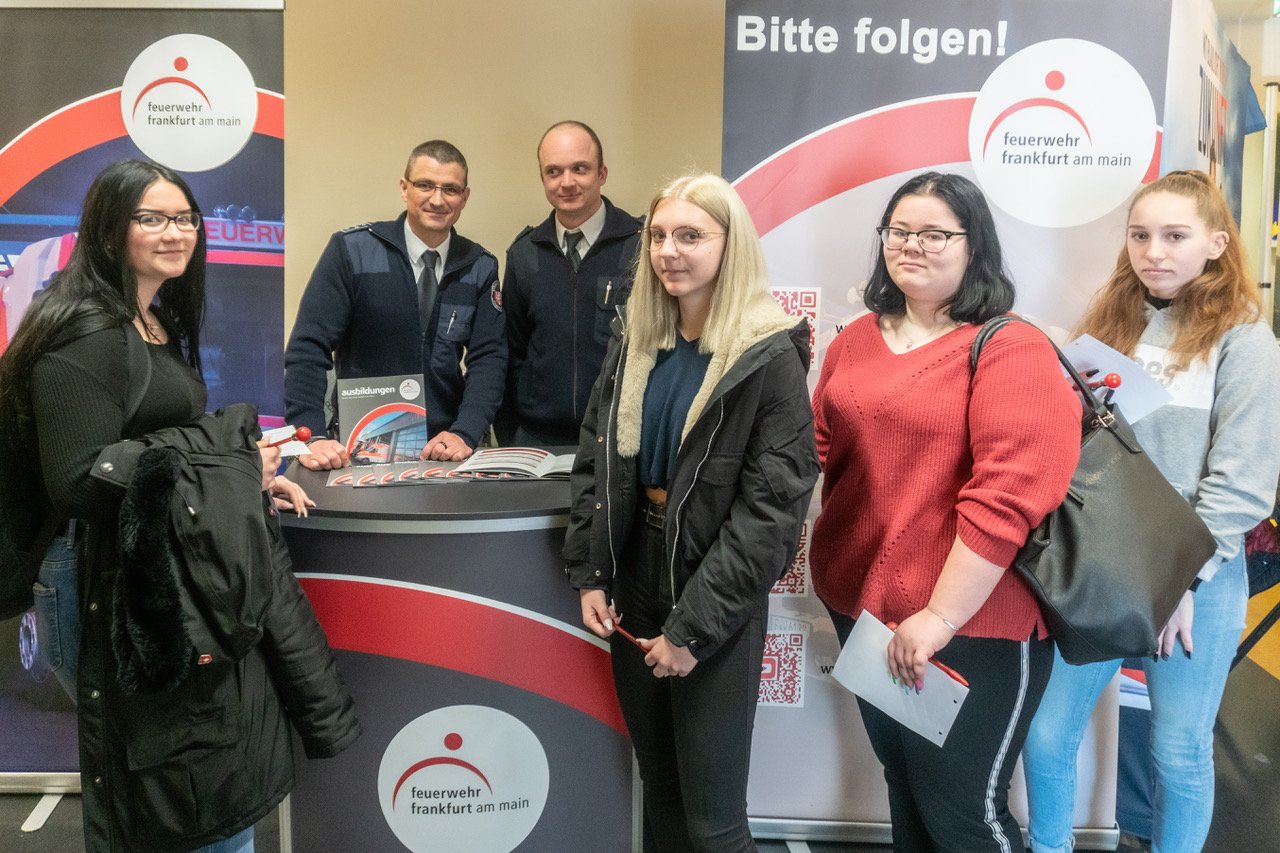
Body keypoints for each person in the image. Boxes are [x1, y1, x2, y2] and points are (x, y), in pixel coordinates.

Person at [0, 159, 358, 852]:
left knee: (199, 781)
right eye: (152, 218)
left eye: (185, 217)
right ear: (110, 229)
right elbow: (80, 480)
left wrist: (246, 479)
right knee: (174, 791)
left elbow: (162, 446)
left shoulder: (148, 317)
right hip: (105, 583)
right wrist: (230, 470)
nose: (176, 232)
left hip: (154, 567)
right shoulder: (84, 332)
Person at [809, 171, 1081, 851]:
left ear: (973, 246)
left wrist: (939, 617)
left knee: (964, 814)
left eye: (934, 234)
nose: (912, 245)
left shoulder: (1010, 346)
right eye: (899, 231)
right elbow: (817, 447)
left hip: (969, 623)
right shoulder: (855, 340)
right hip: (866, 613)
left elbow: (1007, 498)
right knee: (906, 786)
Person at [1022, 170, 1280, 853]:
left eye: (1175, 236)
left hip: (1199, 577)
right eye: (1140, 235)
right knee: (1046, 734)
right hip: (1103, 562)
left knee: (1179, 750)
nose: (1153, 251)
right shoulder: (1113, 318)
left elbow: (1243, 481)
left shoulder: (1245, 340)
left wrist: (1181, 582)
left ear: (1217, 243)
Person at [564, 172, 819, 852]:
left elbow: (770, 515)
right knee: (661, 788)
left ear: (731, 245)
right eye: (658, 236)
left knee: (714, 821)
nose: (669, 251)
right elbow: (596, 458)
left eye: (690, 236)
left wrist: (692, 631)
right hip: (636, 573)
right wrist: (592, 572)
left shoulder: (767, 354)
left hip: (713, 587)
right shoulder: (638, 338)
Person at [284, 139, 505, 468]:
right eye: (425, 185)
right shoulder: (353, 251)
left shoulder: (479, 266)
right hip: (358, 444)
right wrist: (312, 436)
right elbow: (308, 348)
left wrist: (465, 432)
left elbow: (489, 359)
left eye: (450, 189)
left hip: (444, 448)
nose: (437, 199)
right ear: (404, 188)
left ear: (465, 196)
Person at [500, 120, 643, 446]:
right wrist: (509, 434)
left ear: (601, 174)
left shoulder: (640, 246)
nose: (567, 182)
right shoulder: (525, 254)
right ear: (543, 179)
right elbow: (511, 352)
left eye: (580, 168)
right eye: (554, 171)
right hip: (537, 440)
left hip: (615, 440)